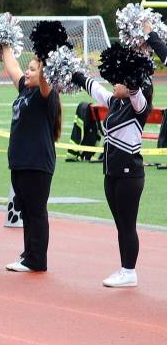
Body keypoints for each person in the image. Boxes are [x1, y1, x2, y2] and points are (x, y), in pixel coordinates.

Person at [71, 63, 152, 288]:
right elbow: (96, 89)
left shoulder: (139, 105)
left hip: (130, 175)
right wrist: (76, 75)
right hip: (111, 173)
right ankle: (125, 268)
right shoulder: (115, 101)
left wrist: (132, 81)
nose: (115, 84)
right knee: (120, 225)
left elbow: (136, 90)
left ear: (130, 85)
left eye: (120, 81)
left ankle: (129, 271)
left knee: (128, 225)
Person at [0, 42, 60, 273]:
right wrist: (4, 42)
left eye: (33, 69)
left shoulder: (47, 94)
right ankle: (28, 255)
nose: (27, 71)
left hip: (37, 162)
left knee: (36, 211)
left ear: (43, 74)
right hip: (20, 161)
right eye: (29, 68)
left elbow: (45, 82)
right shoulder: (25, 89)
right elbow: (12, 66)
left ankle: (37, 260)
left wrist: (46, 58)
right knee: (26, 210)